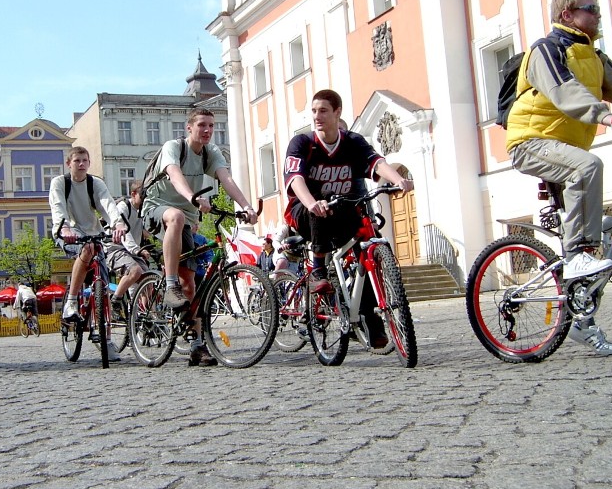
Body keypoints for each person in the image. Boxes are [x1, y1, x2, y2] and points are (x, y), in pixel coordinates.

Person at [506, 0, 612, 355]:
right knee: (589, 166)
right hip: (530, 142)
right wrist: (605, 114)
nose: (598, 15)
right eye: (591, 9)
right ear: (567, 14)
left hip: (565, 150)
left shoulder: (595, 57)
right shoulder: (548, 49)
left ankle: (582, 317)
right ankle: (579, 253)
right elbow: (565, 92)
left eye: (598, 9)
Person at [283, 89, 413, 349]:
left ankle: (372, 321)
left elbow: (375, 162)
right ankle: (318, 268)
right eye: (314, 111)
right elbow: (295, 179)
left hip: (340, 211)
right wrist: (311, 202)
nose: (317, 116)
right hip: (305, 212)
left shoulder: (352, 141)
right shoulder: (302, 143)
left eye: (323, 111)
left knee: (364, 255)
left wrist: (398, 179)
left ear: (337, 112)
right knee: (325, 197)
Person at [140, 107, 258, 367]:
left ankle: (196, 345)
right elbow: (174, 174)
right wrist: (191, 197)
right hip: (157, 208)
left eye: (211, 126)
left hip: (187, 218)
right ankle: (169, 285)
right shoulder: (175, 147)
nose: (207, 130)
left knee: (191, 284)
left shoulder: (210, 152)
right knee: (176, 217)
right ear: (189, 128)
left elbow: (226, 179)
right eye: (202, 125)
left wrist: (246, 206)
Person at [49, 147, 127, 363]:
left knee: (103, 288)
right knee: (87, 250)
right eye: (77, 160)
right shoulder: (60, 183)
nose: (81, 164)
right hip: (68, 234)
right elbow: (58, 207)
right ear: (69, 163)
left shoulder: (95, 183)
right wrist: (65, 229)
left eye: (85, 160)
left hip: (94, 234)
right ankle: (72, 301)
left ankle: (106, 339)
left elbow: (107, 204)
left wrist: (117, 223)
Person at [105, 181, 151, 319]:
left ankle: (145, 315)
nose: (145, 200)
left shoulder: (143, 211)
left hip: (131, 251)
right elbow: (125, 233)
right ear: (133, 194)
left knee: (149, 279)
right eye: (143, 196)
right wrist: (137, 250)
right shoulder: (123, 207)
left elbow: (147, 232)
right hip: (115, 247)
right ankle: (116, 301)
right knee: (135, 271)